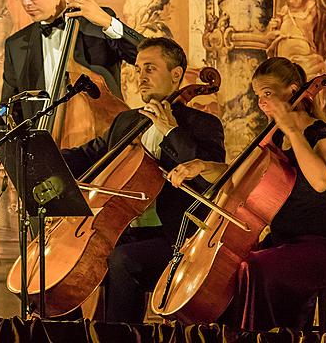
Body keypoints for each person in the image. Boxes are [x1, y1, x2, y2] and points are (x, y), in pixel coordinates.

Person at [170, 57, 326, 330]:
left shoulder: (322, 133)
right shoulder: (273, 138)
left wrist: (291, 127)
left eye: (267, 93)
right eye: (257, 95)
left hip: (322, 247)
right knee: (230, 270)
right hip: (281, 243)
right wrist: (202, 166)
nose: (261, 102)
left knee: (258, 267)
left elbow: (321, 180)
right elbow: (240, 177)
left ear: (292, 91)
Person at [52, 37, 226, 322]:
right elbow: (89, 154)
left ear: (176, 75)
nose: (140, 77)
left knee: (122, 259)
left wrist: (170, 131)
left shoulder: (201, 124)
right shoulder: (127, 121)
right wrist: (37, 154)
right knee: (73, 255)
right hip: (124, 228)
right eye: (137, 69)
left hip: (177, 236)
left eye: (149, 69)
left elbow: (210, 179)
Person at [0, 0, 143, 148]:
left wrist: (108, 22)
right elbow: (9, 106)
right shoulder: (16, 44)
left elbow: (145, 54)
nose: (26, 2)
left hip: (103, 145)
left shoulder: (96, 23)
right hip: (47, 151)